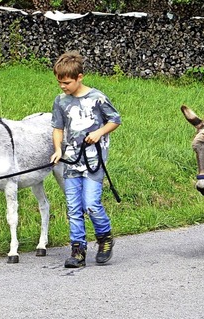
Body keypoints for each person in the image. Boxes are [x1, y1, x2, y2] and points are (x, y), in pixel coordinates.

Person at [50, 51, 122, 268]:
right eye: (59, 82)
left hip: (93, 161)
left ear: (80, 77)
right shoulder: (60, 101)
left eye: (67, 82)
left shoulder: (97, 98)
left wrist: (99, 133)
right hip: (71, 160)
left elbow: (115, 120)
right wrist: (58, 150)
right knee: (73, 206)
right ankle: (78, 249)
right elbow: (58, 128)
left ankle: (104, 237)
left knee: (90, 204)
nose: (63, 86)